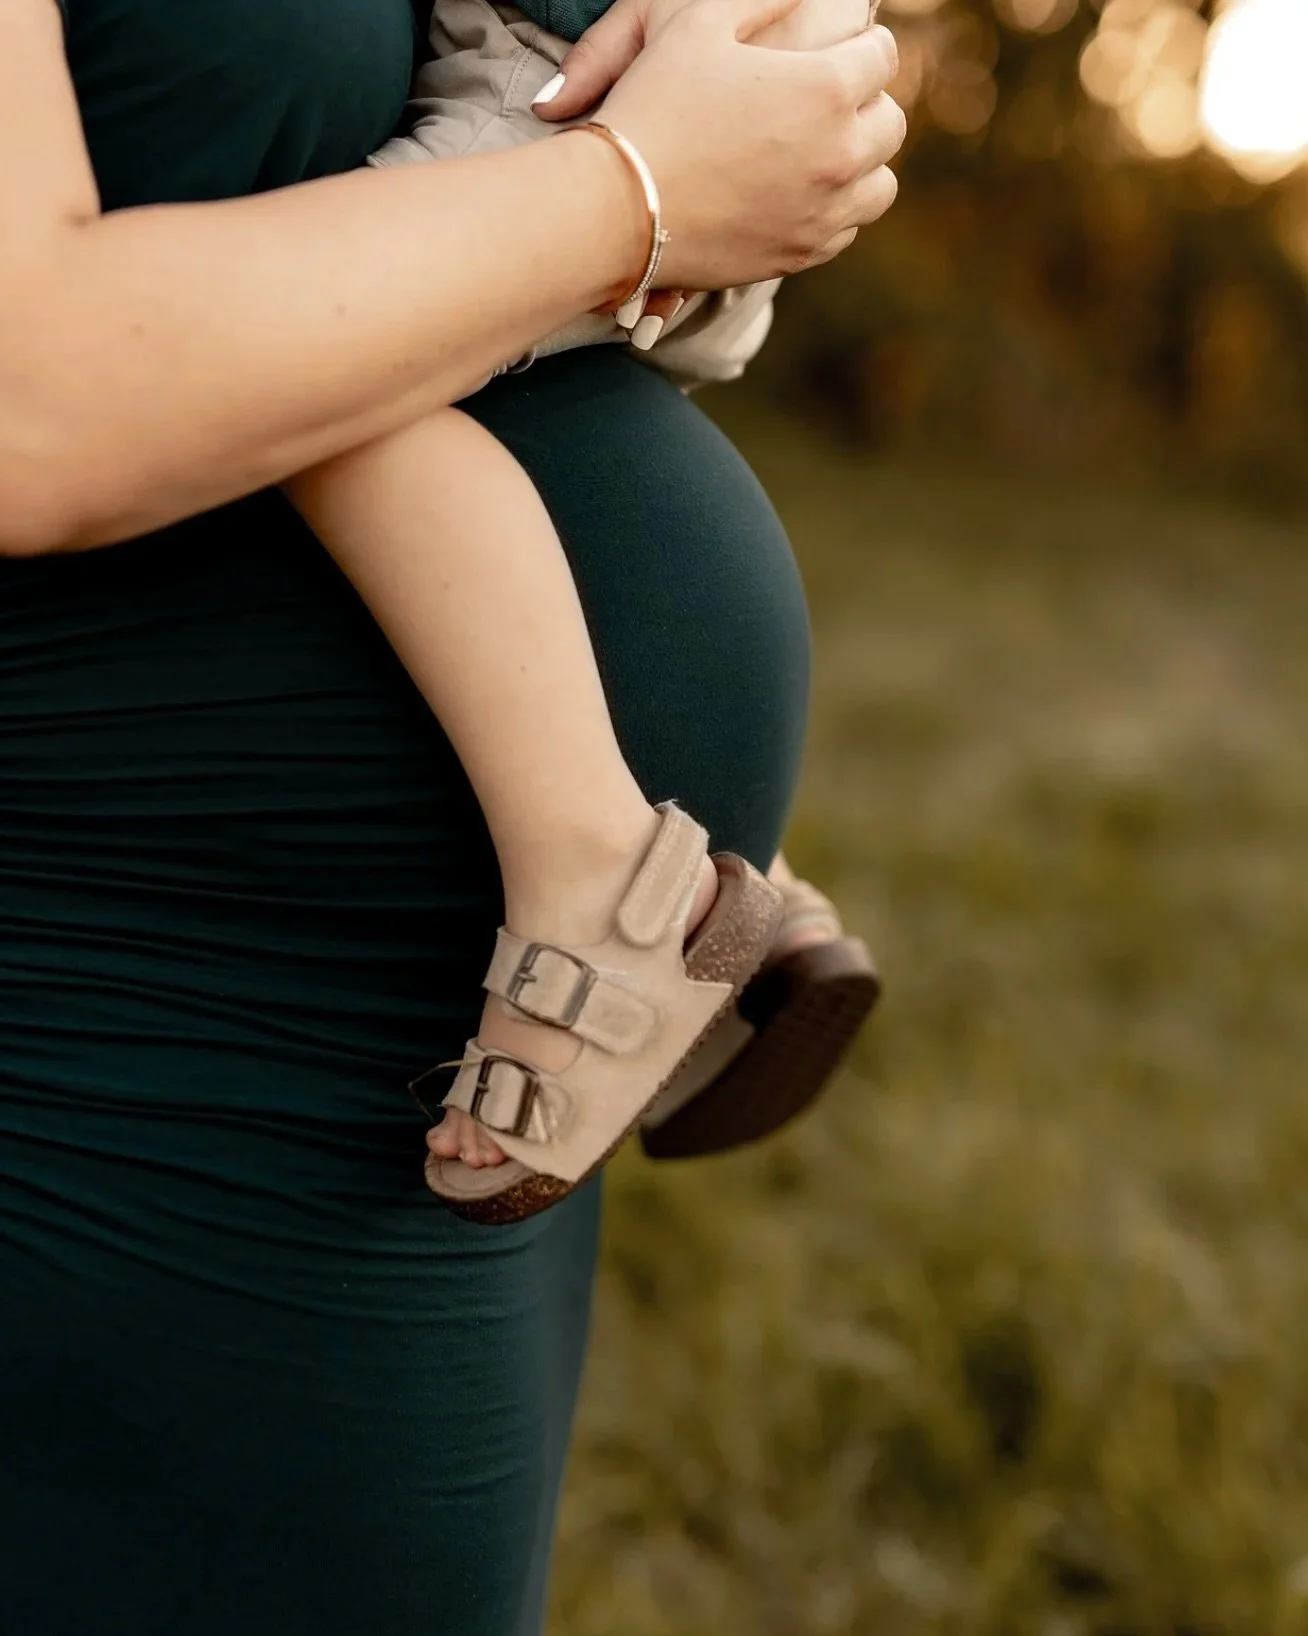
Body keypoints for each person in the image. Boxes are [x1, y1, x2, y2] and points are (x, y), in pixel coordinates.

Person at [0, 0, 904, 1628]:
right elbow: (34, 403)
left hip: (430, 1035)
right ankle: (609, 856)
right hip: (133, 1034)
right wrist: (639, 182)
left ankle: (638, 856)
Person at [283, 0, 877, 1220]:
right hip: (622, 96)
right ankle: (738, 879)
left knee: (276, 353)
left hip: (570, 106)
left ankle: (605, 877)